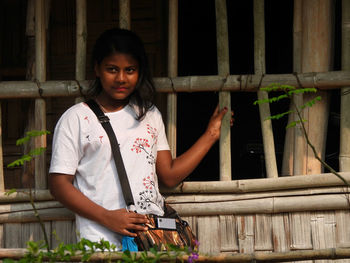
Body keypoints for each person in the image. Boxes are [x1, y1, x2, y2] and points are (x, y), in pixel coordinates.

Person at [49, 27, 234, 249]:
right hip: (100, 241)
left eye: (130, 70)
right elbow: (59, 184)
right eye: (112, 69)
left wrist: (211, 135)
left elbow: (169, 176)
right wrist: (107, 217)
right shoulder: (77, 118)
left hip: (152, 241)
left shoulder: (149, 114)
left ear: (140, 72)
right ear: (97, 69)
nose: (121, 78)